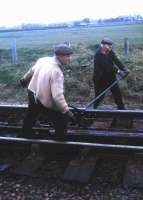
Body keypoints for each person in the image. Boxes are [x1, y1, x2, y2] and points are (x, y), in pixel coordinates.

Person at [20, 44, 75, 139]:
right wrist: (66, 111)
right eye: (67, 56)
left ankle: (24, 135)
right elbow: (57, 97)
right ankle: (59, 143)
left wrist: (24, 80)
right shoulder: (56, 72)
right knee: (61, 121)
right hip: (43, 99)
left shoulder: (43, 60)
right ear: (59, 56)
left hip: (32, 93)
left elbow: (31, 71)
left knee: (31, 116)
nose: (69, 59)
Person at [93, 38, 129, 109]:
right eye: (108, 45)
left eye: (110, 45)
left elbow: (116, 60)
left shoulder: (110, 51)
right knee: (99, 97)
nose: (110, 47)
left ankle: (122, 111)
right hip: (100, 80)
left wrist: (124, 68)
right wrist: (119, 72)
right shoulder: (98, 55)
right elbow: (108, 66)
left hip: (111, 78)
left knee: (117, 95)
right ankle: (90, 112)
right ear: (102, 45)